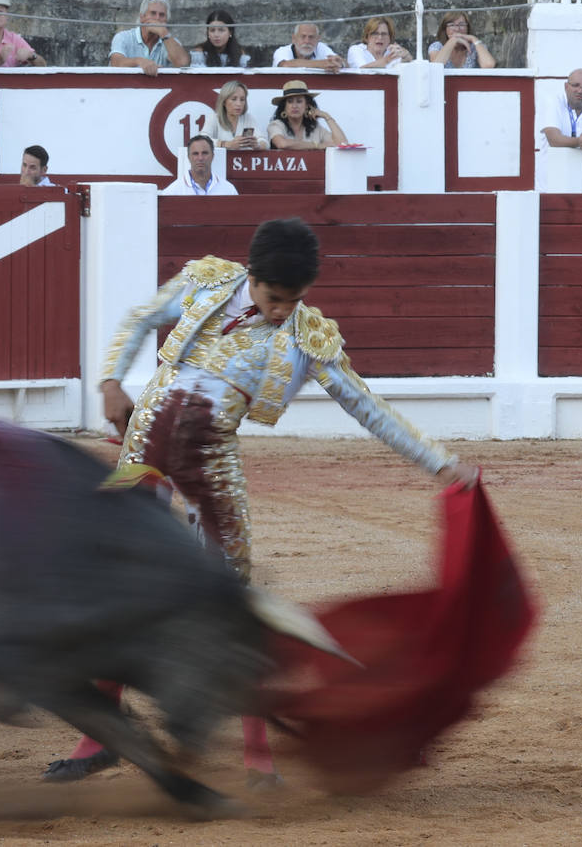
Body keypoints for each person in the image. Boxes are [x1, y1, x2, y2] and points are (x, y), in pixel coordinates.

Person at [42, 218, 480, 785]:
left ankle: (257, 754)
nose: (281, 311)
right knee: (116, 578)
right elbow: (138, 319)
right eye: (275, 298)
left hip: (210, 466)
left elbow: (365, 406)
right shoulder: (206, 282)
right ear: (253, 278)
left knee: (232, 599)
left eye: (293, 301)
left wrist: (439, 462)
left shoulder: (308, 337)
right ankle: (99, 736)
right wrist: (109, 380)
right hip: (143, 443)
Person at [109, 0, 190, 76]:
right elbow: (116, 63)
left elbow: (183, 64)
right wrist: (139, 61)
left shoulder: (169, 40)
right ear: (142, 17)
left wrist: (163, 33)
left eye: (161, 15)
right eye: (153, 13)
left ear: (166, 20)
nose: (157, 18)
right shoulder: (123, 37)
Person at [266, 80, 347, 149]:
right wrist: (317, 146)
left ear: (307, 106)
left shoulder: (315, 128)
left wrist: (326, 116)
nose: (294, 106)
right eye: (290, 101)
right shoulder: (276, 125)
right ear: (284, 107)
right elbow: (282, 144)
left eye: (299, 101)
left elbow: (342, 144)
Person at [0, 0, 45, 68]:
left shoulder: (14, 38)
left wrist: (31, 56)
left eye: (0, 11)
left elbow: (43, 65)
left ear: (7, 17)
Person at [200, 80, 268, 150]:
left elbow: (264, 141)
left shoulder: (248, 118)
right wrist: (226, 144)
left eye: (242, 99)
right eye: (234, 99)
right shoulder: (214, 118)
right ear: (224, 101)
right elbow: (202, 140)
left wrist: (257, 145)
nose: (238, 104)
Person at [162, 135, 238, 195]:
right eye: (195, 154)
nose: (200, 158)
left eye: (205, 153)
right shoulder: (172, 192)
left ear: (213, 156)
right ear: (188, 157)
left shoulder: (229, 190)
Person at [427, 12, 496, 69]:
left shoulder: (475, 47)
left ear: (467, 28)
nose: (457, 29)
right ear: (445, 29)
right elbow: (435, 67)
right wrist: (453, 40)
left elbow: (489, 65)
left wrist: (473, 39)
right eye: (452, 25)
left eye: (462, 24)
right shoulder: (437, 46)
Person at [272, 22, 344, 73]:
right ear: (294, 38)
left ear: (318, 39)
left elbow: (341, 62)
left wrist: (339, 63)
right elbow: (285, 65)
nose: (307, 41)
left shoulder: (321, 47)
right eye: (303, 37)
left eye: (311, 37)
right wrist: (321, 64)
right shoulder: (282, 51)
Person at [346, 16, 412, 69]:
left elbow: (406, 62)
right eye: (375, 33)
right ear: (367, 37)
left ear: (390, 38)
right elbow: (362, 69)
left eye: (384, 34)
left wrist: (406, 56)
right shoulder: (356, 50)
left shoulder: (390, 52)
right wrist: (387, 60)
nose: (380, 37)